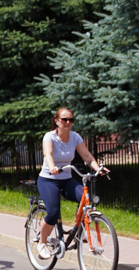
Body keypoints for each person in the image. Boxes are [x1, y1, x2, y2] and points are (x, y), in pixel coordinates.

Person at [36, 107, 107, 259]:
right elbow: (47, 154)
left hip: (66, 179)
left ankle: (78, 232)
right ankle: (42, 243)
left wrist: (98, 168)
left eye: (71, 120)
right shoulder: (50, 137)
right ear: (57, 121)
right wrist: (52, 166)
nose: (68, 122)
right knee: (53, 213)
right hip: (49, 180)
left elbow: (87, 156)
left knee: (86, 199)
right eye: (64, 119)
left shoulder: (75, 137)